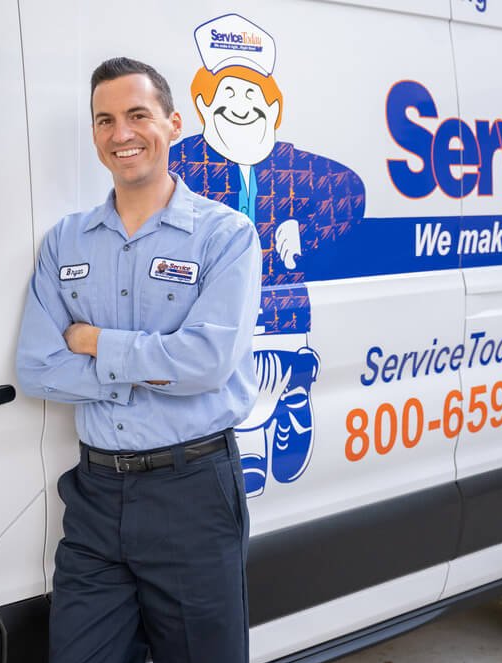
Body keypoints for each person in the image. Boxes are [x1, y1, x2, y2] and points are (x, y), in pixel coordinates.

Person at [16, 57, 262, 663]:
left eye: (137, 115)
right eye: (104, 120)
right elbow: (38, 367)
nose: (120, 133)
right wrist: (151, 372)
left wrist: (96, 342)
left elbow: (205, 363)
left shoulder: (224, 236)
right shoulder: (65, 242)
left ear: (173, 124)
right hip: (96, 496)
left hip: (192, 493)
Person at [169, 13, 366, 496]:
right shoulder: (183, 160)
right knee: (227, 385)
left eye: (253, 96)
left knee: (266, 367)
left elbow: (352, 190)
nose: (241, 107)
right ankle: (254, 444)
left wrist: (308, 229)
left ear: (273, 109)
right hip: (210, 308)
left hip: (281, 305)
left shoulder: (291, 164)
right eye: (228, 94)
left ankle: (293, 394)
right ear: (203, 103)